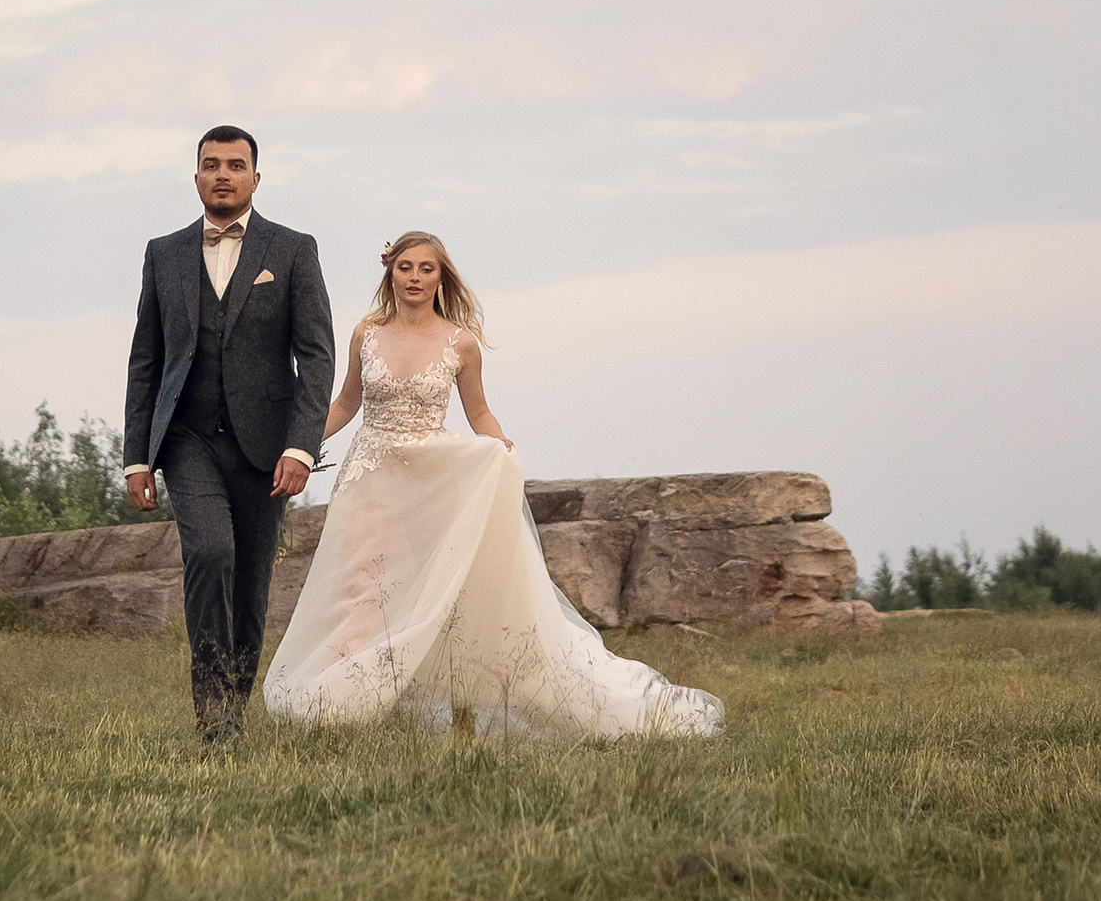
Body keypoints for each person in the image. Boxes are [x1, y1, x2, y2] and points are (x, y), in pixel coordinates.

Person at [262, 231, 723, 740]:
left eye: (426, 269)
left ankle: (463, 708)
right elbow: (346, 404)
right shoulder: (365, 334)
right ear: (389, 272)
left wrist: (500, 449)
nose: (415, 278)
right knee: (359, 591)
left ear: (442, 278)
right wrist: (293, 444)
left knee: (445, 593)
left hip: (433, 482)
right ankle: (338, 707)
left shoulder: (460, 341)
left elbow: (477, 411)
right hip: (371, 477)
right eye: (406, 268)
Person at [124, 125, 335, 742]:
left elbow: (316, 355)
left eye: (235, 165)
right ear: (196, 178)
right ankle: (212, 717)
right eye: (211, 165)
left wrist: (301, 446)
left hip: (266, 448)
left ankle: (234, 706)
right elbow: (146, 357)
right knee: (210, 552)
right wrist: (137, 456)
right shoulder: (163, 253)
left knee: (250, 586)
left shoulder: (293, 249)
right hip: (186, 437)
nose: (223, 174)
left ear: (255, 178)